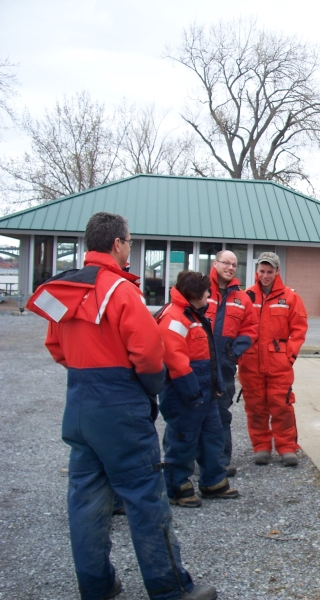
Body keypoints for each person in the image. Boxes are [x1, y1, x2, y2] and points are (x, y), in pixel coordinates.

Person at [26, 212, 215, 600]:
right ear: (117, 244)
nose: (130, 247)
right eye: (129, 242)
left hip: (79, 403)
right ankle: (170, 588)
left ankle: (96, 586)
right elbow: (148, 354)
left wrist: (86, 370)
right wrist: (147, 387)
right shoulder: (121, 289)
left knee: (86, 500)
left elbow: (55, 346)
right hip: (119, 405)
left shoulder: (65, 289)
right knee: (145, 498)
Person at [157, 271, 239, 508]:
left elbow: (209, 357)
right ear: (195, 294)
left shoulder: (193, 315)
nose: (209, 296)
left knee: (212, 438)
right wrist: (193, 394)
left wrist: (216, 388)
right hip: (185, 396)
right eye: (206, 292)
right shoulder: (175, 319)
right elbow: (176, 363)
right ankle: (176, 487)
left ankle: (213, 481)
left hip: (205, 394)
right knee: (182, 441)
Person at [239, 252, 309, 467]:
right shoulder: (246, 296)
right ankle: (261, 446)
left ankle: (287, 447)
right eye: (262, 271)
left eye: (270, 272)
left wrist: (289, 356)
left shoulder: (290, 297)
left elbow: (299, 328)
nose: (265, 276)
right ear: (256, 271)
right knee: (256, 406)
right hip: (251, 362)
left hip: (279, 363)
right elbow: (237, 328)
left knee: (282, 406)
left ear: (277, 271)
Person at [206, 250, 258, 477]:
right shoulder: (198, 289)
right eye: (225, 263)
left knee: (220, 414)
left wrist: (233, 353)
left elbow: (250, 329)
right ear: (215, 263)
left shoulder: (242, 298)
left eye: (234, 264)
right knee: (188, 412)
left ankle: (219, 463)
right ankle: (182, 465)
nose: (230, 267)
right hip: (196, 363)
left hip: (224, 365)